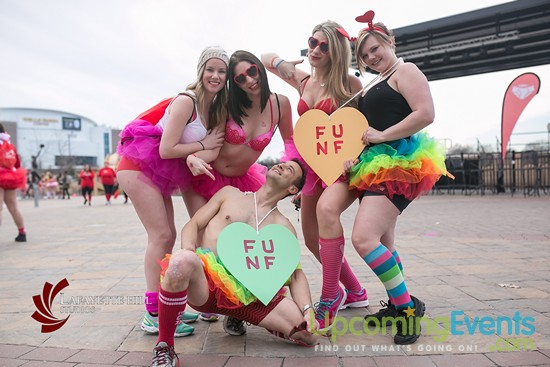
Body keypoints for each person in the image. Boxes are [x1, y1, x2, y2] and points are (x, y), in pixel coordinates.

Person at [345, 13, 452, 344]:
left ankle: (407, 311)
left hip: (399, 164)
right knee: (385, 244)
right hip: (372, 164)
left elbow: (426, 114)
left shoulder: (406, 70)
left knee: (364, 239)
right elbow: (365, 130)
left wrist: (381, 136)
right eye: (364, 56)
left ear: (389, 42)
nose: (371, 57)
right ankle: (397, 303)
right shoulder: (377, 80)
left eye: (375, 48)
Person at [149, 160, 317, 367]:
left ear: (292, 188)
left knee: (309, 334)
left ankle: (243, 317)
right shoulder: (229, 194)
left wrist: (308, 310)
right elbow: (194, 224)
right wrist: (189, 251)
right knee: (181, 261)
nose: (281, 166)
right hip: (208, 286)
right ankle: (165, 346)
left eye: (289, 169)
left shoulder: (284, 226)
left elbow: (295, 275)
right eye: (281, 163)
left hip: (251, 297)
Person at [261, 20, 368, 332]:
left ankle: (330, 297)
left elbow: (363, 128)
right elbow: (265, 55)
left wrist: (356, 157)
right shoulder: (302, 80)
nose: (315, 49)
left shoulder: (350, 84)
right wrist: (283, 64)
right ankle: (356, 292)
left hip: (345, 168)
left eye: (324, 46)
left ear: (336, 51)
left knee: (326, 212)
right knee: (310, 239)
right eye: (312, 42)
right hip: (313, 170)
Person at [116, 46, 228, 337]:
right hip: (138, 165)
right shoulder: (186, 101)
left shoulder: (214, 107)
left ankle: (169, 303)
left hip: (157, 170)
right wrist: (201, 147)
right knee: (161, 235)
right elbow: (167, 149)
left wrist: (200, 153)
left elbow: (211, 151)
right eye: (210, 69)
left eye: (221, 71)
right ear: (200, 71)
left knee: (168, 232)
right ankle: (154, 313)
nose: (215, 76)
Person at [186, 50, 293, 329]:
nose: (248, 80)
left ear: (260, 69)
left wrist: (297, 180)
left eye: (252, 72)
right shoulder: (230, 105)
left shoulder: (281, 104)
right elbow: (208, 141)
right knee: (210, 242)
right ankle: (209, 299)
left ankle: (236, 309)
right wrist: (193, 158)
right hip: (209, 176)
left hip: (246, 181)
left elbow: (291, 144)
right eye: (240, 77)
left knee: (246, 245)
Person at [0, 123, 27, 242]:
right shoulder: (9, 144)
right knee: (14, 207)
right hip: (11, 177)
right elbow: (17, 164)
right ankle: (22, 233)